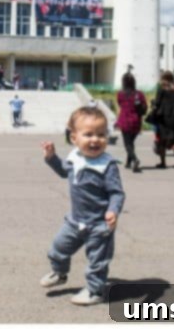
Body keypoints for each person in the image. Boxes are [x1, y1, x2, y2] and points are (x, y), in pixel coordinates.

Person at [40, 106, 125, 306]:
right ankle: (59, 273)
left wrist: (113, 210)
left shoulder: (107, 165)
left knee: (97, 261)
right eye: (88, 134)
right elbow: (63, 171)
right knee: (58, 248)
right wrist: (51, 158)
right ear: (74, 138)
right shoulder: (74, 158)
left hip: (99, 225)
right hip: (75, 221)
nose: (95, 139)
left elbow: (117, 193)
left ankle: (95, 291)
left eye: (101, 134)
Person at [150, 71, 174, 170]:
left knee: (162, 141)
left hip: (163, 118)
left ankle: (163, 163)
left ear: (164, 78)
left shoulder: (162, 88)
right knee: (173, 141)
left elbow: (157, 103)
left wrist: (153, 107)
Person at [115, 72, 147, 173]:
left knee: (127, 144)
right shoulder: (139, 94)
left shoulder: (120, 94)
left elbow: (120, 104)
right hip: (136, 120)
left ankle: (135, 159)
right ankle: (128, 162)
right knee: (131, 142)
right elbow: (144, 106)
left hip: (125, 120)